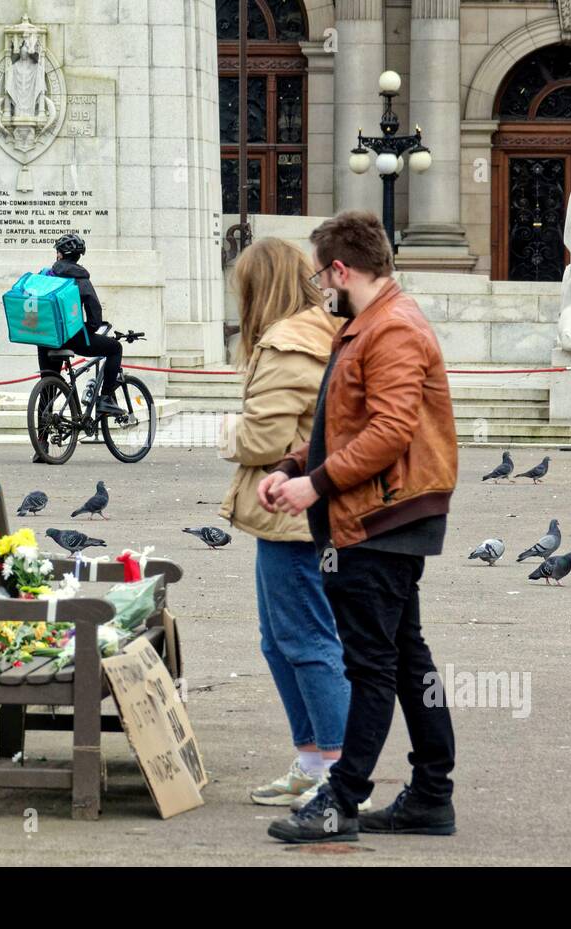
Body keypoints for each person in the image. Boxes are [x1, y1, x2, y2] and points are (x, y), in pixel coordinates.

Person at [257, 210, 459, 845]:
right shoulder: (372, 324)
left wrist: (315, 484)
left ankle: (339, 801)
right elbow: (348, 423)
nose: (322, 287)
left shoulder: (391, 328)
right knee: (405, 661)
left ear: (341, 269)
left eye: (324, 274)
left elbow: (391, 430)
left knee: (370, 665)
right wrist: (295, 465)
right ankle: (431, 794)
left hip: (380, 520)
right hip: (385, 515)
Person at [217, 238, 365, 810]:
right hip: (294, 515)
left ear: (259, 290)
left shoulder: (285, 344)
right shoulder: (321, 331)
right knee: (282, 642)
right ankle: (313, 761)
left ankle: (337, 771)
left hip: (296, 516)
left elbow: (262, 438)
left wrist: (224, 432)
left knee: (305, 641)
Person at [37, 232, 125, 418]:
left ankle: (42, 441)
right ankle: (106, 398)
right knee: (115, 348)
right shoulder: (81, 279)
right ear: (78, 257)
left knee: (48, 385)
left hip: (46, 337)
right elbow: (94, 317)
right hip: (73, 338)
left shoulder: (46, 276)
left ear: (59, 255)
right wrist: (85, 331)